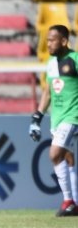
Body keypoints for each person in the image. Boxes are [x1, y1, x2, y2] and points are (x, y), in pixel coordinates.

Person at [29, 24, 78, 217]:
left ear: (64, 41)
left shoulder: (75, 59)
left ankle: (68, 201)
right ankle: (75, 203)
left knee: (54, 154)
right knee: (68, 158)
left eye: (52, 40)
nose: (48, 44)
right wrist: (37, 118)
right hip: (56, 119)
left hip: (72, 115)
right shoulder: (51, 62)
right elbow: (48, 93)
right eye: (47, 40)